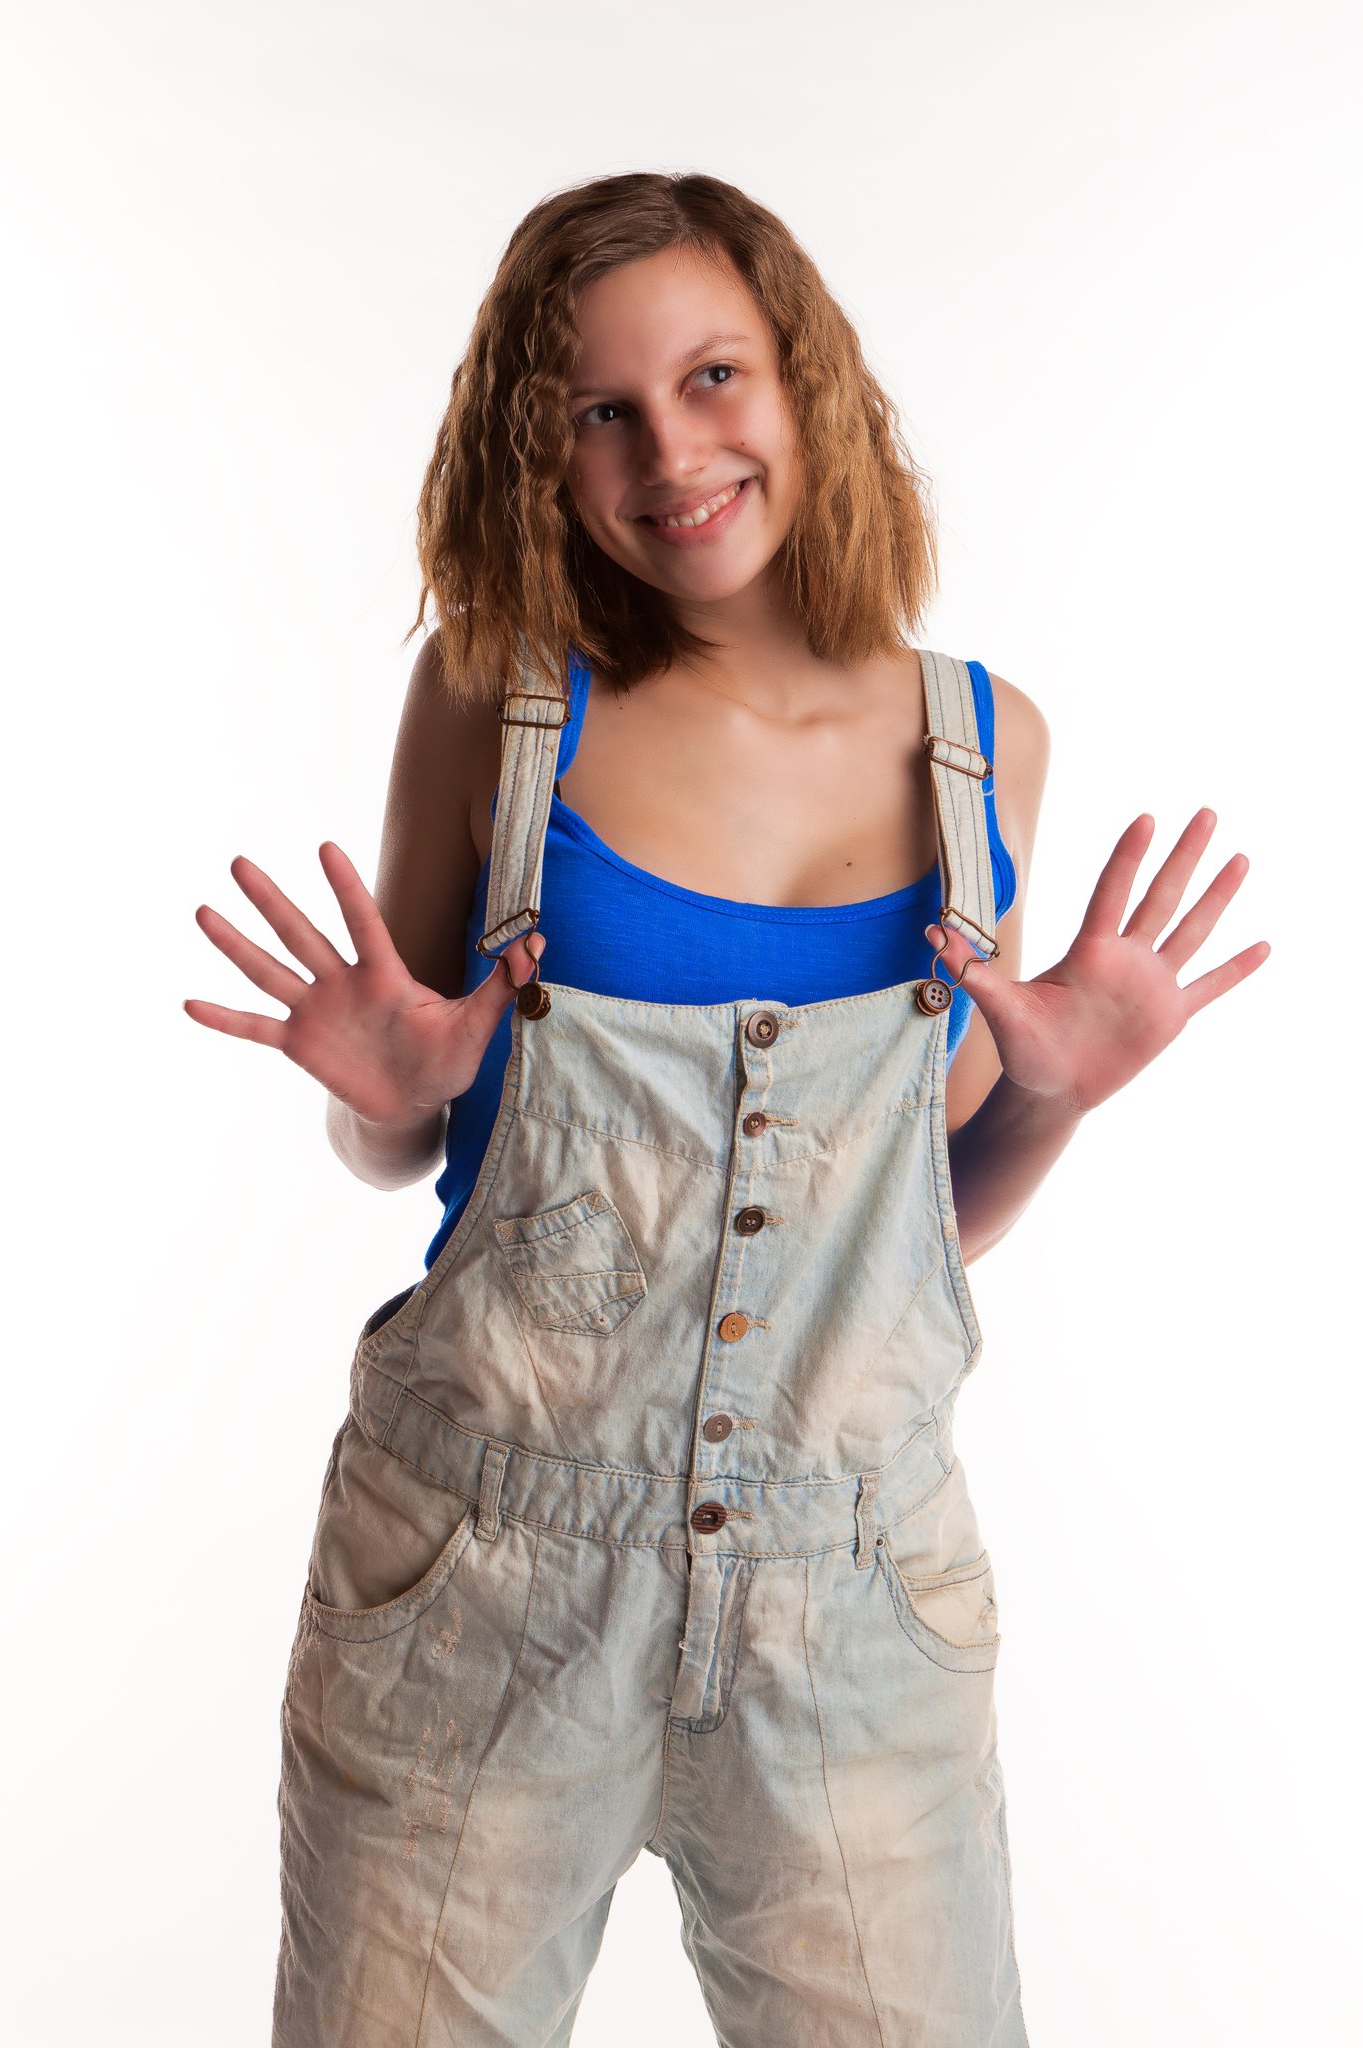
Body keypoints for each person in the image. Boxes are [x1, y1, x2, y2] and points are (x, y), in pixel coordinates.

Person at [185, 171, 1268, 2048]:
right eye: (596, 412)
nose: (670, 454)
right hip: (477, 1586)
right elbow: (406, 1138)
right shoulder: (493, 699)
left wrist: (1057, 1098)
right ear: (536, 454)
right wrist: (388, 1105)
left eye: (710, 377)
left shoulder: (979, 743)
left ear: (801, 379)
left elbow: (915, 1229)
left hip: (851, 1611)